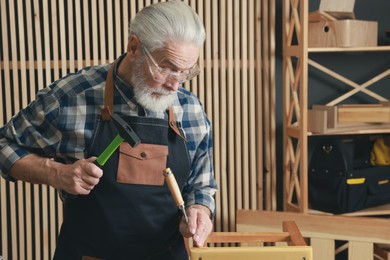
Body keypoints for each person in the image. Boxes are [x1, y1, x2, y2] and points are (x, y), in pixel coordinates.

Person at [0, 1, 218, 259]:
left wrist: (199, 212)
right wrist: (56, 173)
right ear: (134, 47)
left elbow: (201, 187)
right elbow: (4, 145)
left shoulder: (189, 108)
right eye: (166, 67)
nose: (174, 85)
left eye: (185, 73)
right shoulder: (73, 97)